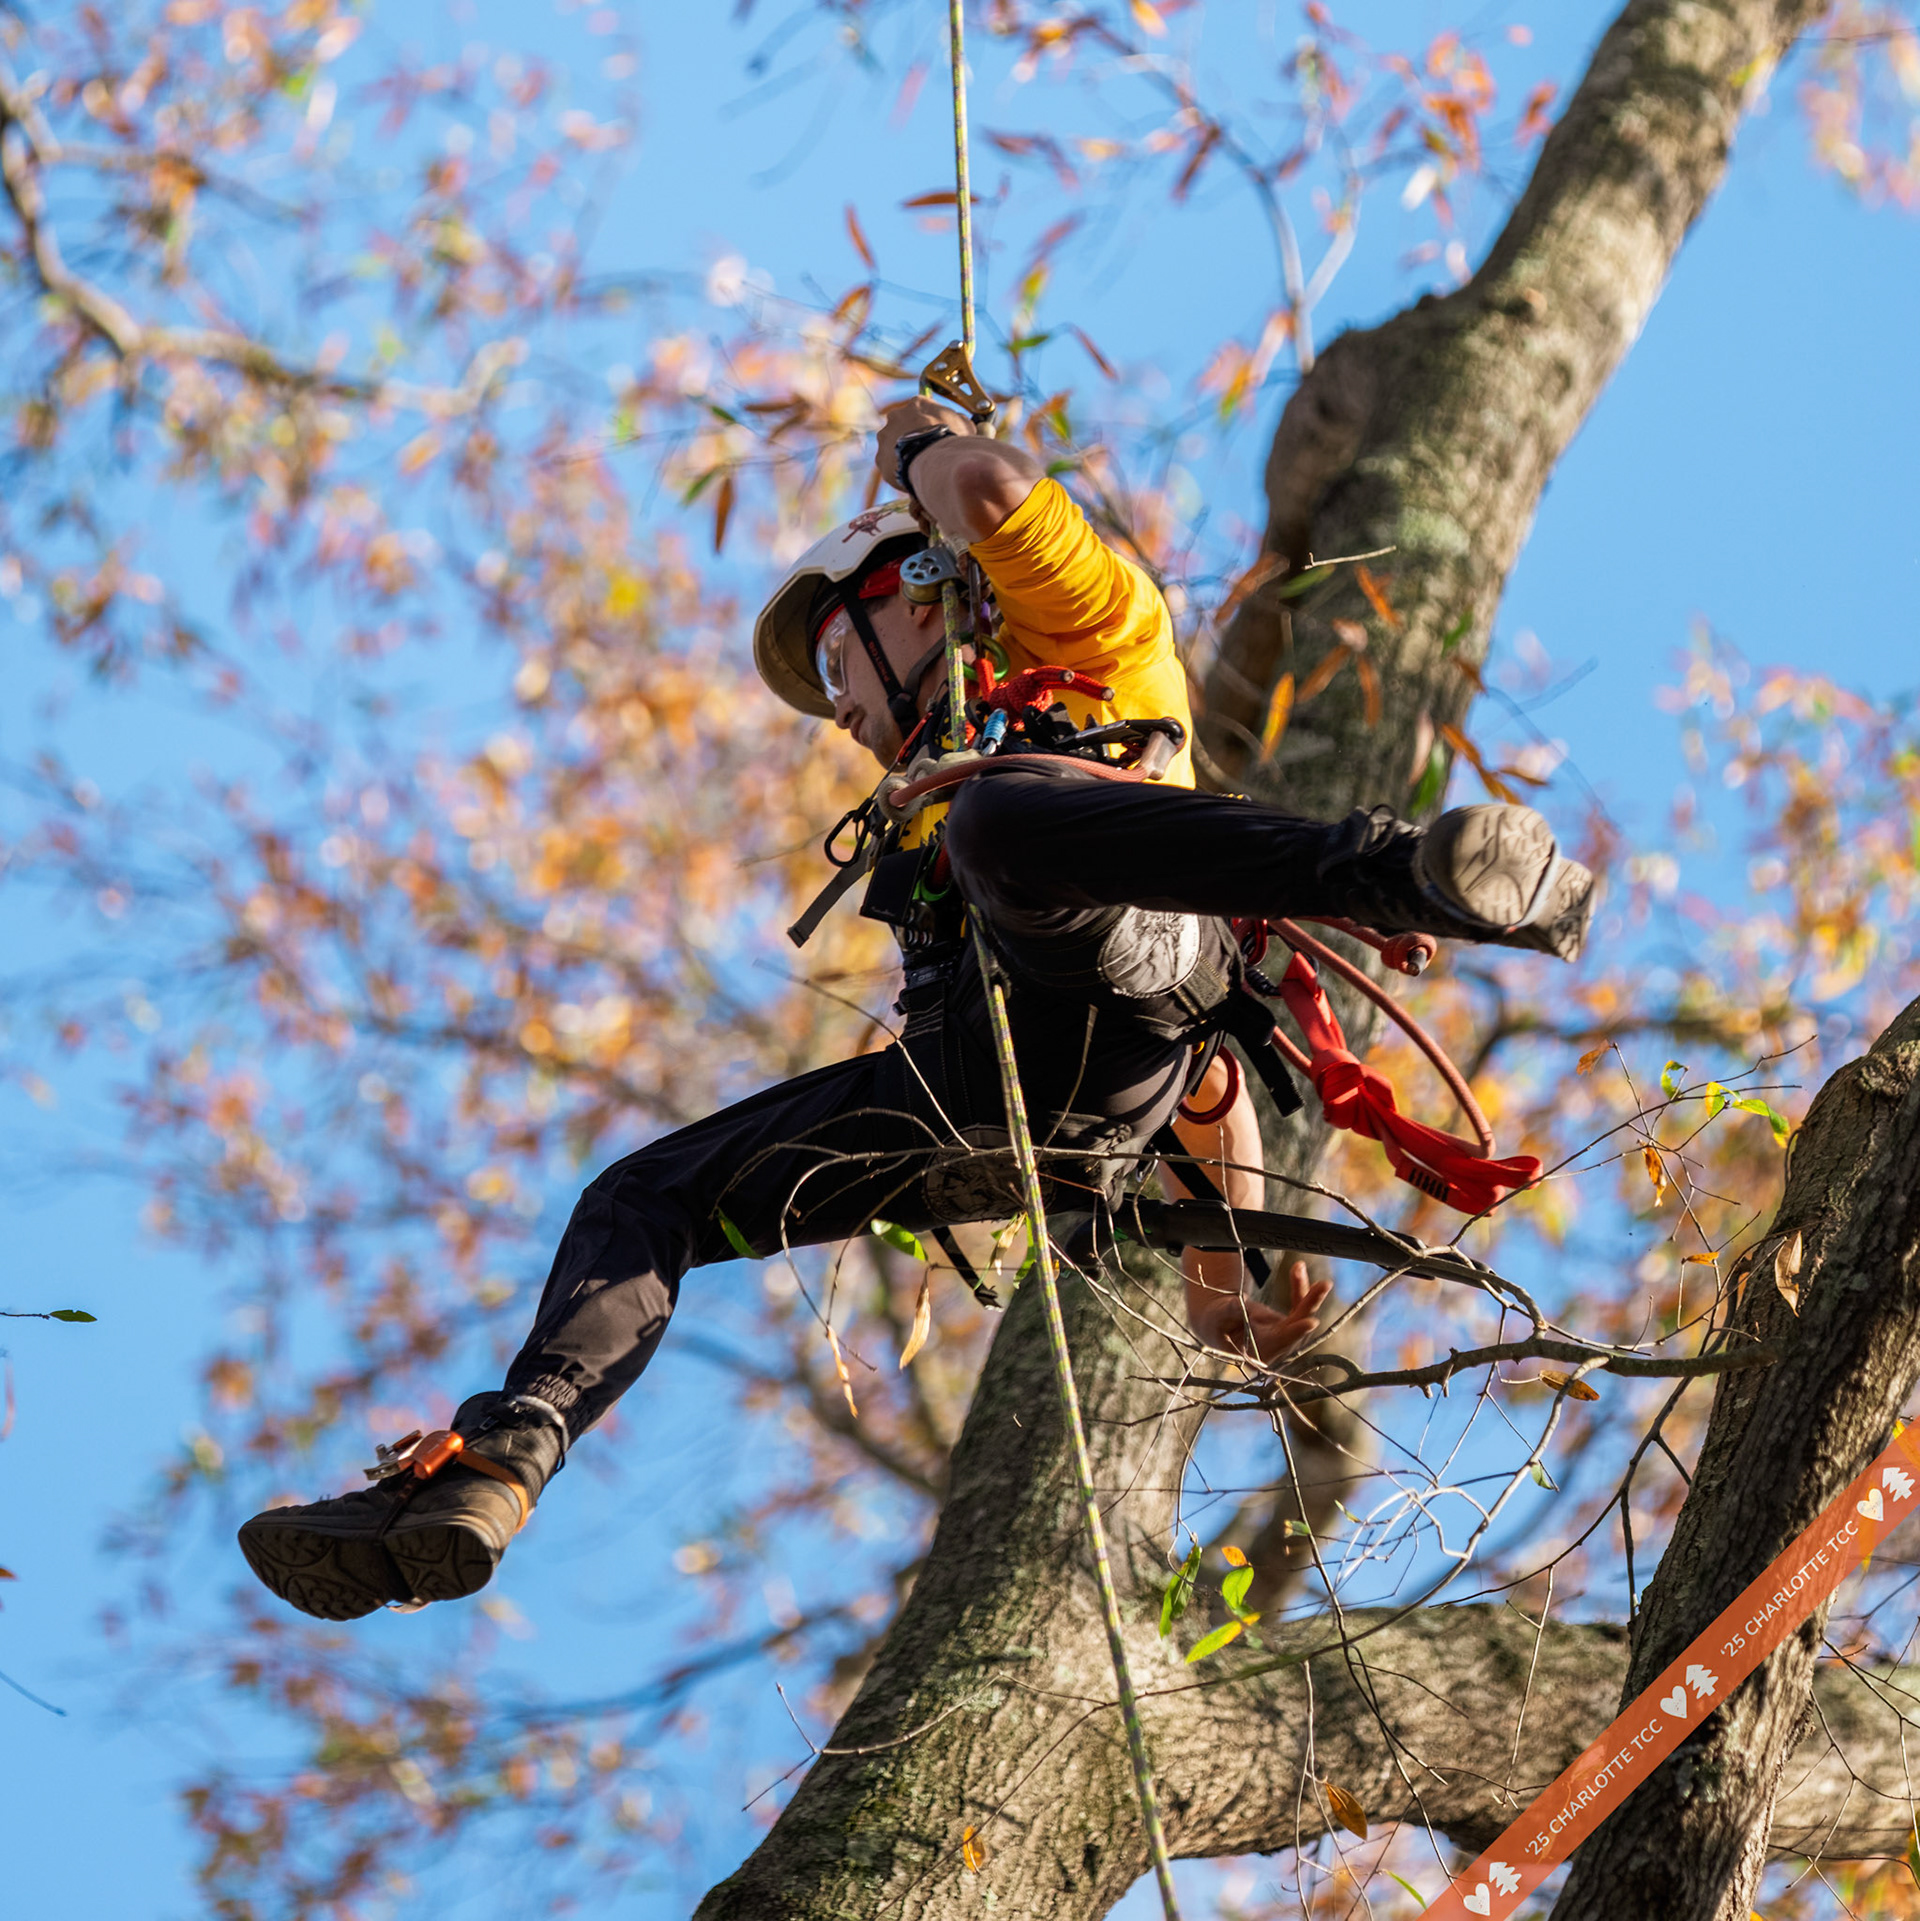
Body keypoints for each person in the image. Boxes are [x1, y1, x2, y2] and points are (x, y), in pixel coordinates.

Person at [238, 399, 1594, 1622]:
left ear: (935, 591)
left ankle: (1404, 874)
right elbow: (1200, 1093)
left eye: (840, 654)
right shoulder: (943, 809)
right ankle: (499, 1457)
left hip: (1127, 963)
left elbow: (996, 496)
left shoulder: (1095, 645)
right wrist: (1222, 1276)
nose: (838, 709)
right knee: (642, 1197)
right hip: (998, 1098)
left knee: (1007, 818)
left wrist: (912, 447)